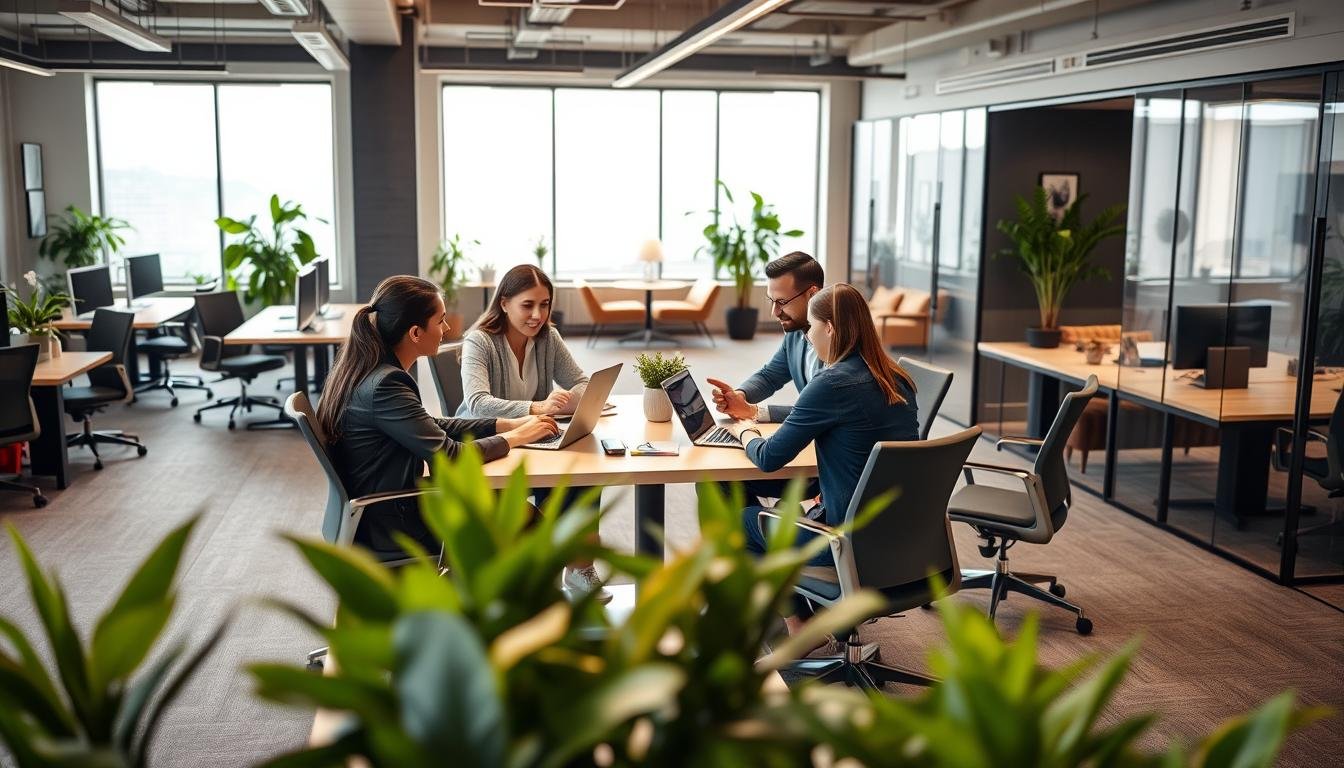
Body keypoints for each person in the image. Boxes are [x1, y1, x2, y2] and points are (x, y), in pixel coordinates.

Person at [722, 283, 919, 640]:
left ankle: (800, 626)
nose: (808, 337)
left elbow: (768, 458)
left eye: (811, 327)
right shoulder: (897, 378)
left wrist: (744, 431)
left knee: (741, 522)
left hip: (848, 546)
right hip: (908, 542)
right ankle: (818, 610)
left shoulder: (831, 383)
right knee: (786, 509)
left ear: (829, 328)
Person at [316, 275, 559, 558]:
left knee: (511, 504)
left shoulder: (371, 370)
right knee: (524, 518)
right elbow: (450, 457)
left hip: (383, 506)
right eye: (440, 320)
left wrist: (506, 423)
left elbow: (431, 425)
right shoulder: (386, 384)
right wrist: (516, 437)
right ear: (415, 333)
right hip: (393, 521)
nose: (446, 328)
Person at [458, 264, 610, 603]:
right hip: (491, 446)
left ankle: (578, 566)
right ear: (504, 303)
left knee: (584, 472)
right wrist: (536, 407)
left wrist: (568, 401)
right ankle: (548, 567)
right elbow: (478, 403)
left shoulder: (547, 337)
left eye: (545, 304)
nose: (538, 315)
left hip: (536, 442)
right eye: (528, 305)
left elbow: (582, 382)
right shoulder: (478, 342)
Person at [706, 251, 825, 507]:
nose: (774, 312)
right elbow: (770, 375)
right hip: (807, 446)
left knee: (723, 477)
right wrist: (740, 395)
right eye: (771, 300)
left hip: (823, 463)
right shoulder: (796, 335)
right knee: (719, 474)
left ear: (813, 294)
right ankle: (760, 534)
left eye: (782, 302)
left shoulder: (835, 344)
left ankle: (757, 534)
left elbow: (816, 411)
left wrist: (754, 412)